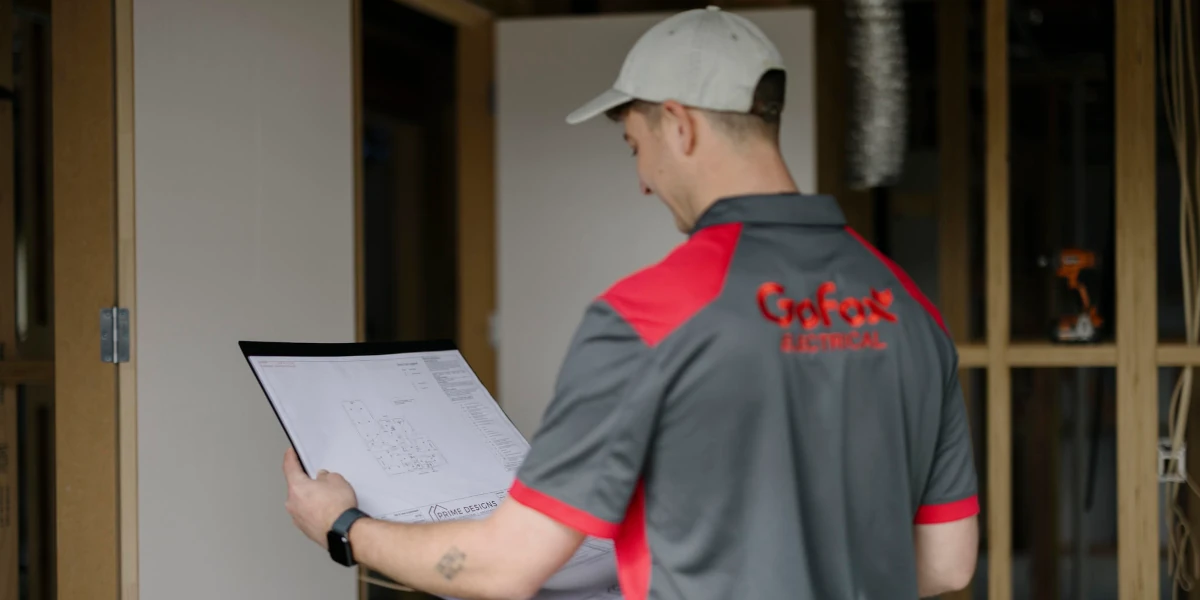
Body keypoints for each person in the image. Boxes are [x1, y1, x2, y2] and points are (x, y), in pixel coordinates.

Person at [281, 5, 980, 599]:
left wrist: (343, 530)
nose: (644, 180)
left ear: (680, 125)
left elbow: (504, 566)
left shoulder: (649, 315)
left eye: (634, 145)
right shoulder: (912, 306)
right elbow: (948, 563)